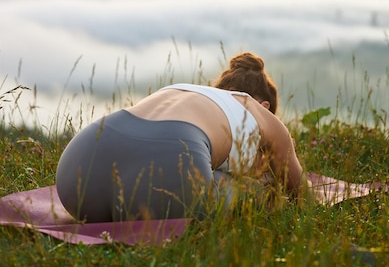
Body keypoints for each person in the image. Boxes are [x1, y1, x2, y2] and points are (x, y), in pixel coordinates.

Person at [56, 52, 310, 222]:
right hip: (169, 174)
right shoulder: (258, 112)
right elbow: (303, 195)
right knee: (260, 192)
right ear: (265, 106)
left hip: (79, 171)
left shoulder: (184, 90)